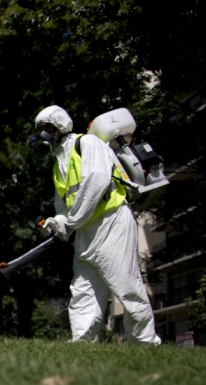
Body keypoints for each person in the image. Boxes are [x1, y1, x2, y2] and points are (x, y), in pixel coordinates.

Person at [33, 105, 161, 344]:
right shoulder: (57, 166)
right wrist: (57, 222)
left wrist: (70, 223)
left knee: (126, 285)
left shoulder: (88, 144)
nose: (45, 135)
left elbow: (96, 181)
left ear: (60, 126)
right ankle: (82, 343)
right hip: (85, 232)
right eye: (41, 130)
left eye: (48, 128)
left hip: (111, 222)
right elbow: (63, 208)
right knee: (82, 291)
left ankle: (145, 343)